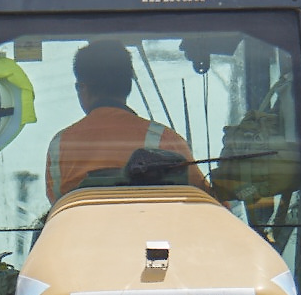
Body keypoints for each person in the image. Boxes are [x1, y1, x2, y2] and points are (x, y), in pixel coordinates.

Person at [43, 40, 210, 202]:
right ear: (128, 85)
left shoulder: (60, 145)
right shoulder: (165, 140)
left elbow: (59, 208)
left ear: (82, 88)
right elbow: (206, 202)